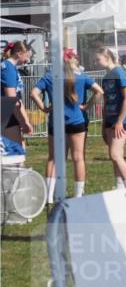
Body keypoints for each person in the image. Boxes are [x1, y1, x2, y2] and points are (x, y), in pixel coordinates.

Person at [29, 49, 102, 201]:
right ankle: (78, 195)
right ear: (74, 59)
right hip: (76, 121)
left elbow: (33, 93)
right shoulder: (82, 77)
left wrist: (44, 108)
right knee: (78, 158)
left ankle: (49, 197)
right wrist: (87, 106)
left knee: (53, 159)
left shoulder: (50, 76)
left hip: (56, 122)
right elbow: (99, 91)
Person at [95, 48, 126, 190]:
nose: (96, 62)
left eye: (98, 59)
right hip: (110, 119)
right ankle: (119, 185)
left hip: (121, 120)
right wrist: (104, 124)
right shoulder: (106, 78)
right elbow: (106, 102)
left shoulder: (119, 73)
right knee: (116, 155)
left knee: (115, 154)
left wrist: (120, 121)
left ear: (107, 57)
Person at [1, 40, 33, 146]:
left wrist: (25, 120)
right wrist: (23, 122)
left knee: (17, 152)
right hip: (7, 116)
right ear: (19, 53)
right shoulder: (8, 68)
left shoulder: (10, 67)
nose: (28, 60)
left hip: (9, 115)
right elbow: (12, 99)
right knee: (14, 156)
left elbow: (17, 98)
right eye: (27, 56)